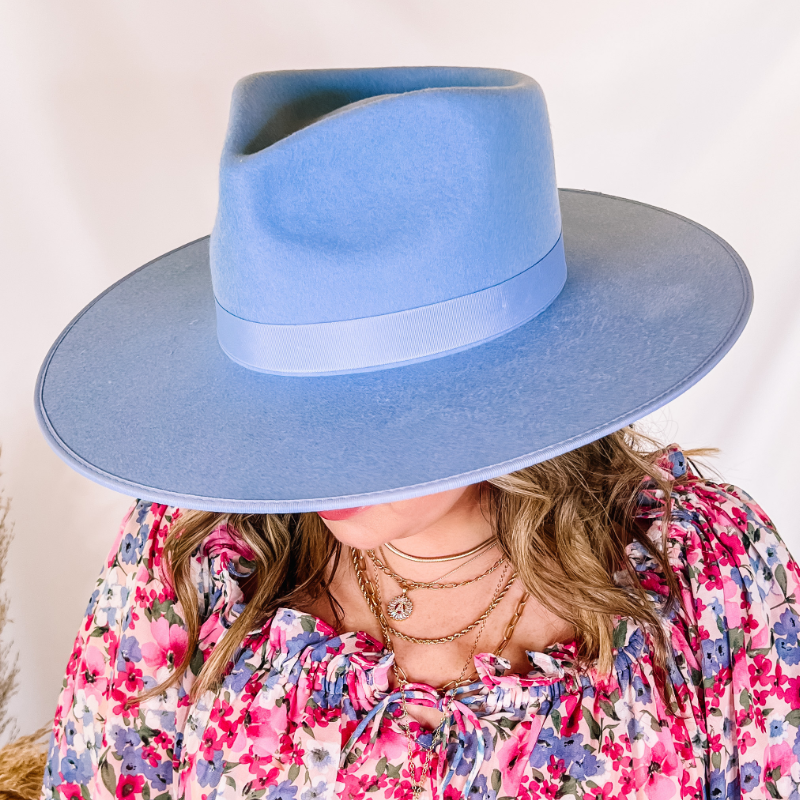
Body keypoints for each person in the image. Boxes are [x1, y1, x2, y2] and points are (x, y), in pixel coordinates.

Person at [35, 68, 798, 800]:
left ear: (510, 373)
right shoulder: (192, 559)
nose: (314, 460)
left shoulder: (709, 571)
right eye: (290, 398)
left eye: (373, 406)